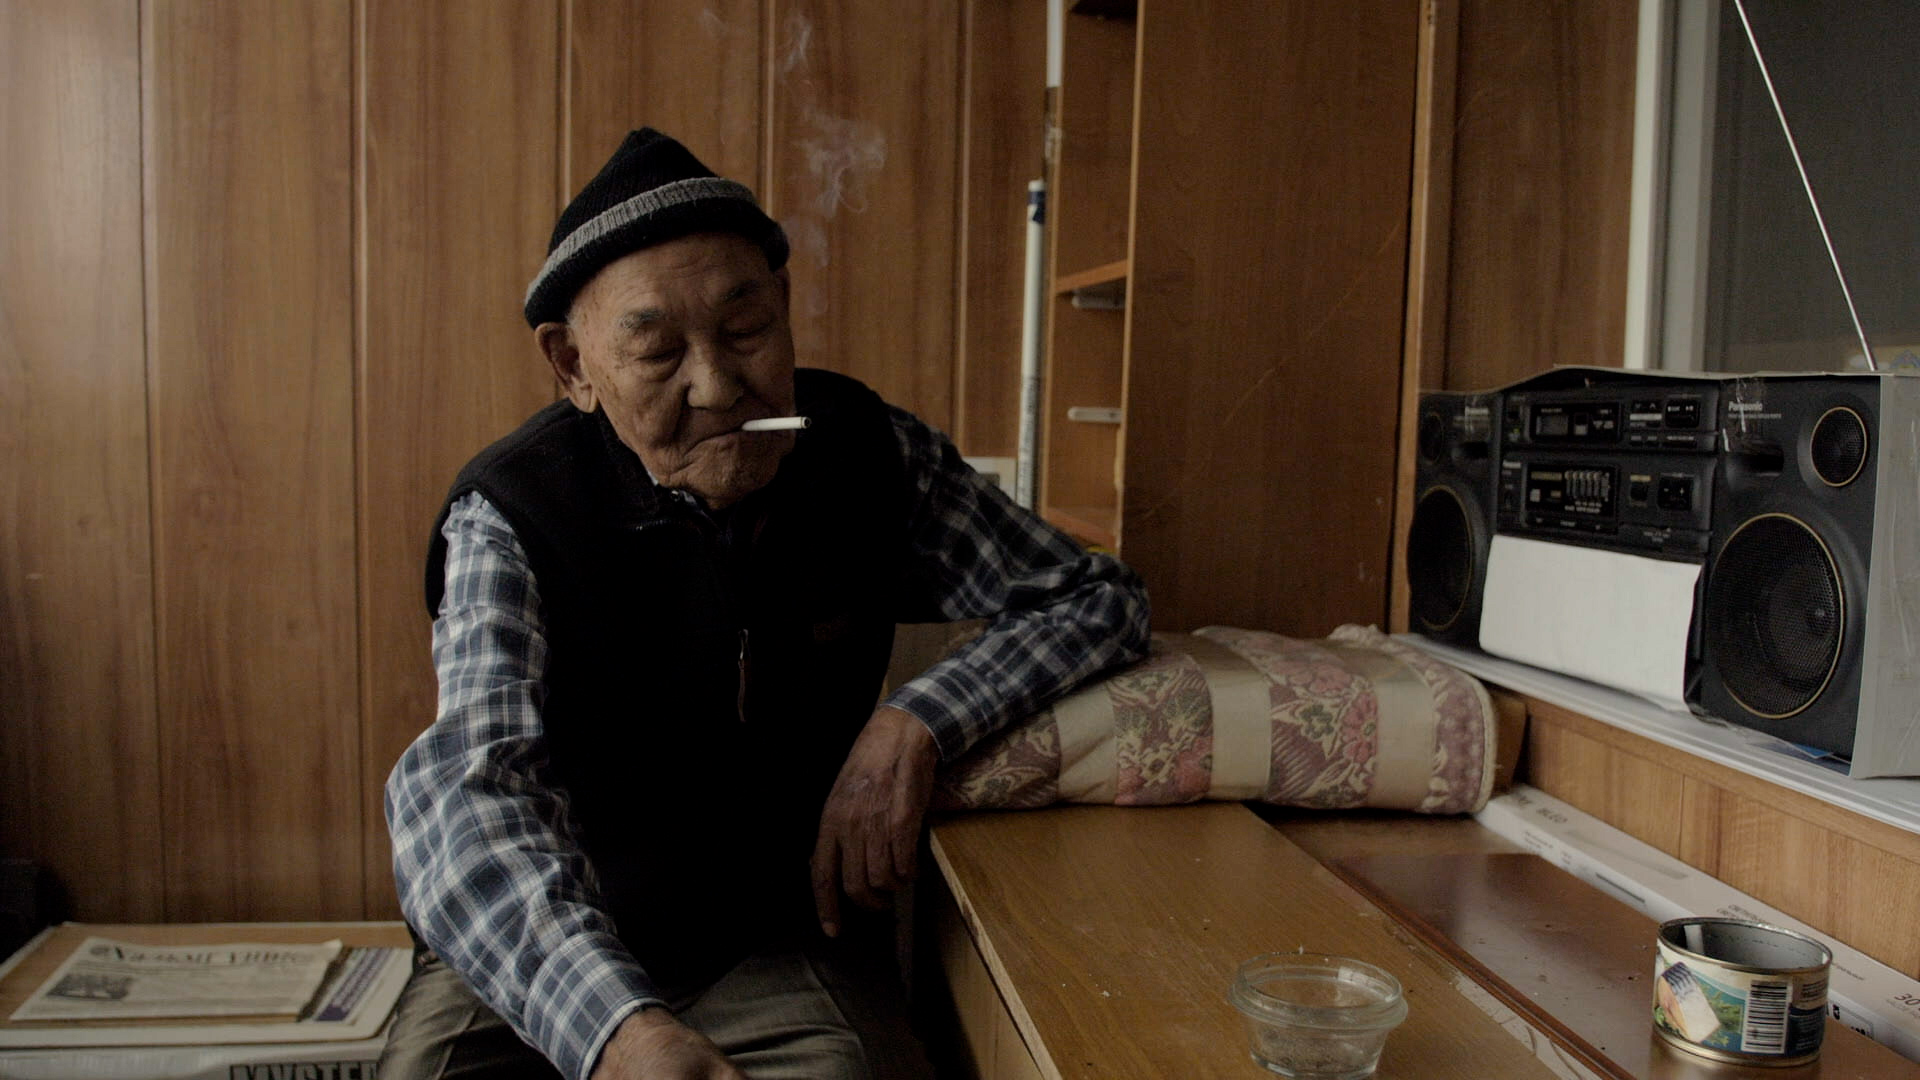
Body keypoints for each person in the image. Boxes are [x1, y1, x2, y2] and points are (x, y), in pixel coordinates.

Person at [382, 128, 1150, 1080]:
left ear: (785, 306)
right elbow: (467, 796)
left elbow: (1091, 597)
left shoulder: (865, 452)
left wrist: (914, 722)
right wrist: (619, 1033)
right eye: (657, 350)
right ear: (573, 366)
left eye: (746, 331)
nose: (717, 386)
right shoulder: (513, 515)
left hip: (763, 938)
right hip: (548, 943)